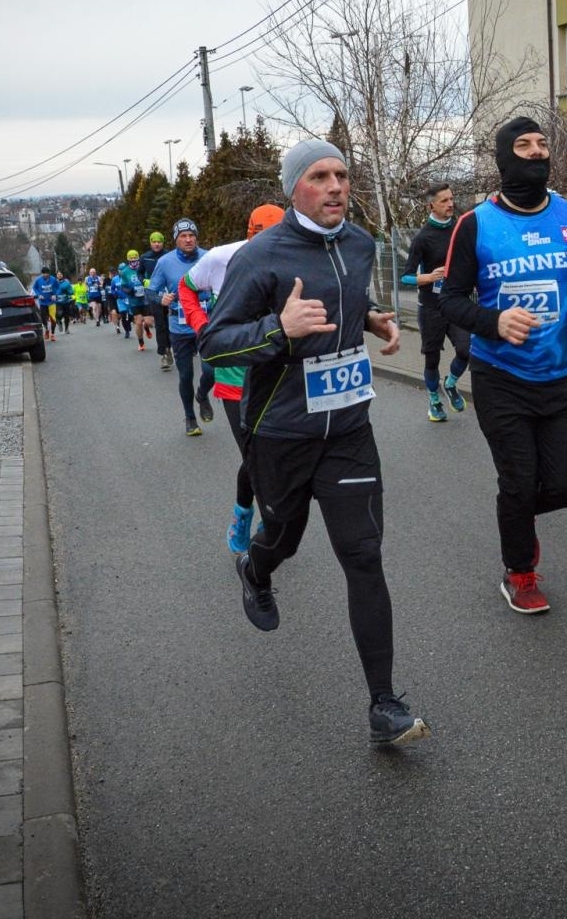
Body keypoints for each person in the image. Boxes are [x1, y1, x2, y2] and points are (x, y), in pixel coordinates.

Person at [202, 140, 428, 746]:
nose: (335, 186)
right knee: (283, 536)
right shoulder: (261, 256)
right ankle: (256, 568)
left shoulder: (359, 243)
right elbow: (215, 344)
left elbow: (347, 299)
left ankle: (384, 705)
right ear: (293, 188)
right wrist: (278, 329)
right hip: (282, 433)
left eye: (342, 175)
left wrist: (370, 317)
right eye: (320, 176)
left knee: (364, 556)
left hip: (349, 429)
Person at [439, 116, 567, 615]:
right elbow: (451, 299)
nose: (536, 152)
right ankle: (520, 572)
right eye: (524, 145)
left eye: (543, 144)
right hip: (501, 378)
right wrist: (494, 321)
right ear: (504, 158)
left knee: (566, 486)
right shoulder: (475, 224)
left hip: (562, 374)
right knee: (517, 479)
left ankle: (515, 513)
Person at [180, 203, 284, 551]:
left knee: (280, 455)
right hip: (235, 375)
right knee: (255, 456)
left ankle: (271, 518)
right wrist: (202, 327)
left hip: (280, 375)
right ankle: (248, 516)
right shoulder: (221, 258)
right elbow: (186, 287)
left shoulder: (297, 258)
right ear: (250, 236)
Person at [400, 184, 471, 422]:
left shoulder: (460, 228)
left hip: (457, 303)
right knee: (432, 359)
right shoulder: (423, 238)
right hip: (431, 307)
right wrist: (430, 277)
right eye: (444, 201)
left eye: (451, 199)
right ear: (431, 205)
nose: (450, 204)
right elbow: (406, 277)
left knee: (466, 350)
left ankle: (450, 384)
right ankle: (434, 400)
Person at [148, 218, 214, 436]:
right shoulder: (165, 262)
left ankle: (202, 395)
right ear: (176, 240)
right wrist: (161, 298)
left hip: (205, 324)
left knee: (211, 369)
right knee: (185, 375)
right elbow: (151, 291)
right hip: (180, 327)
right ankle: (190, 417)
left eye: (191, 235)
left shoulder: (209, 257)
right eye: (183, 236)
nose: (188, 240)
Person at [139, 231, 171, 372]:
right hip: (154, 294)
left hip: (169, 293)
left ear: (163, 242)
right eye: (154, 241)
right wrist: (144, 281)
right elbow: (139, 273)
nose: (157, 244)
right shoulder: (145, 257)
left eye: (159, 241)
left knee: (170, 323)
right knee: (160, 324)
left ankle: (170, 348)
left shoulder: (169, 255)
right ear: (150, 243)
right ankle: (163, 353)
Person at [113, 252, 146, 346]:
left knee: (148, 321)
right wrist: (129, 291)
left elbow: (150, 280)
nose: (134, 262)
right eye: (131, 261)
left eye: (135, 260)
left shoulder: (144, 268)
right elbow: (123, 286)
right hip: (133, 300)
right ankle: (141, 342)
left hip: (145, 299)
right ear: (128, 261)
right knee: (138, 322)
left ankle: (146, 327)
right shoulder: (125, 272)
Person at [31, 266, 58, 343]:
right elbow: (35, 288)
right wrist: (39, 295)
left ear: (49, 273)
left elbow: (58, 288)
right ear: (42, 274)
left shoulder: (53, 279)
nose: (45, 275)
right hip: (43, 302)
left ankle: (52, 334)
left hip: (52, 302)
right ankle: (46, 330)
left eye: (47, 273)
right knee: (43, 319)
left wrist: (55, 295)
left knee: (53, 319)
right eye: (44, 273)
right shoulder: (38, 280)